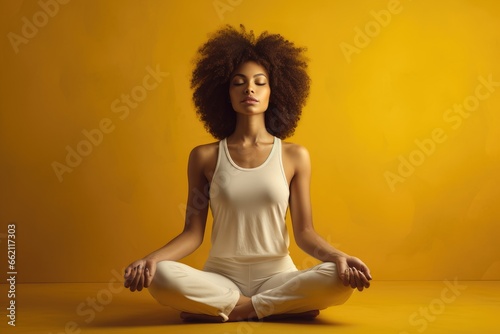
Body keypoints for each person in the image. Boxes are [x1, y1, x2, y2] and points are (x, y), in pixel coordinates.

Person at [124, 25, 372, 323]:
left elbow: (305, 233)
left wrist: (338, 257)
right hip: (221, 277)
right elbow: (192, 234)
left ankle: (233, 308)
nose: (249, 89)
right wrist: (152, 260)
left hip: (279, 276)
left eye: (260, 82)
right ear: (224, 93)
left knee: (337, 277)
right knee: (161, 275)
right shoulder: (205, 157)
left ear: (274, 90)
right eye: (238, 82)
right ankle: (276, 307)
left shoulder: (295, 156)